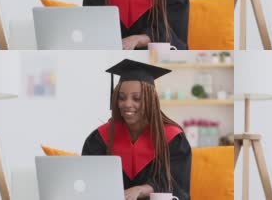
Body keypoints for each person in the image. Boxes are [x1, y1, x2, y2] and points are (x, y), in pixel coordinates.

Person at [82, 59, 191, 200]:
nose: (127, 104)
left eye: (137, 98)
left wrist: (142, 189)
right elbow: (88, 182)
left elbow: (178, 186)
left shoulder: (173, 139)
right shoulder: (99, 138)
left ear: (151, 100)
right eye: (121, 98)